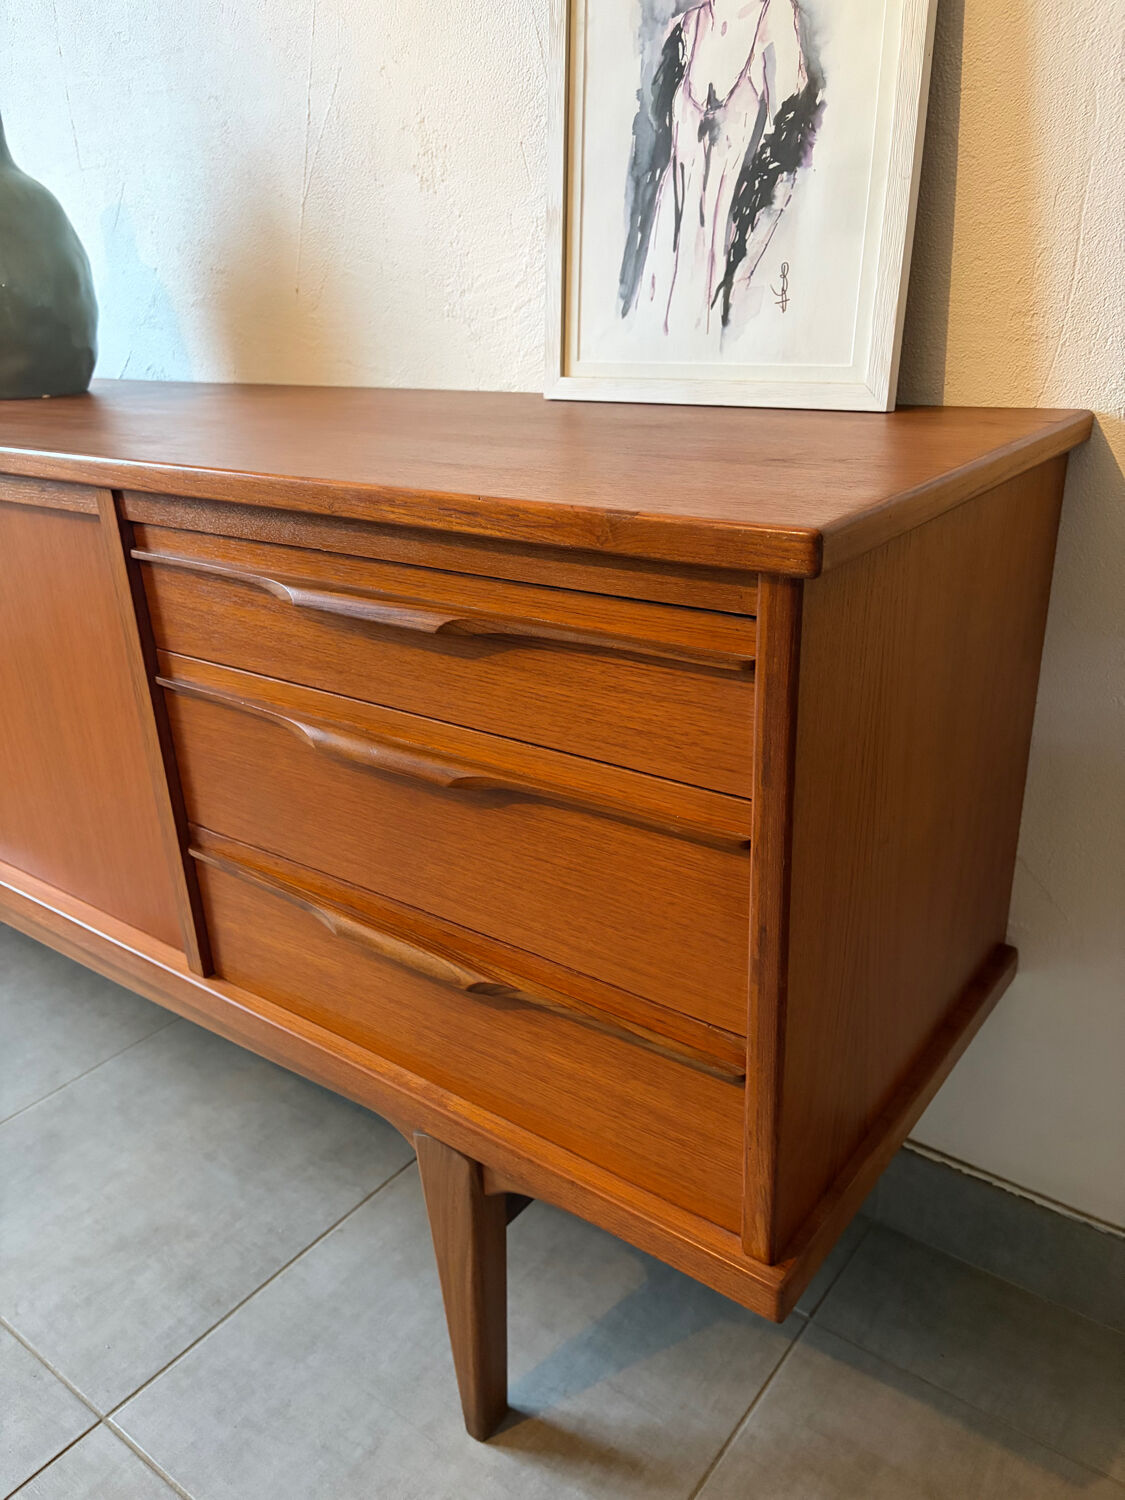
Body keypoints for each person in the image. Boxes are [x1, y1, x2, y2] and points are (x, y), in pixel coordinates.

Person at [619, 0, 823, 338]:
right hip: (667, 248)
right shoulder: (684, 28)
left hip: (728, 253)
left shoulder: (776, 19)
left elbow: (787, 167)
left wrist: (744, 268)